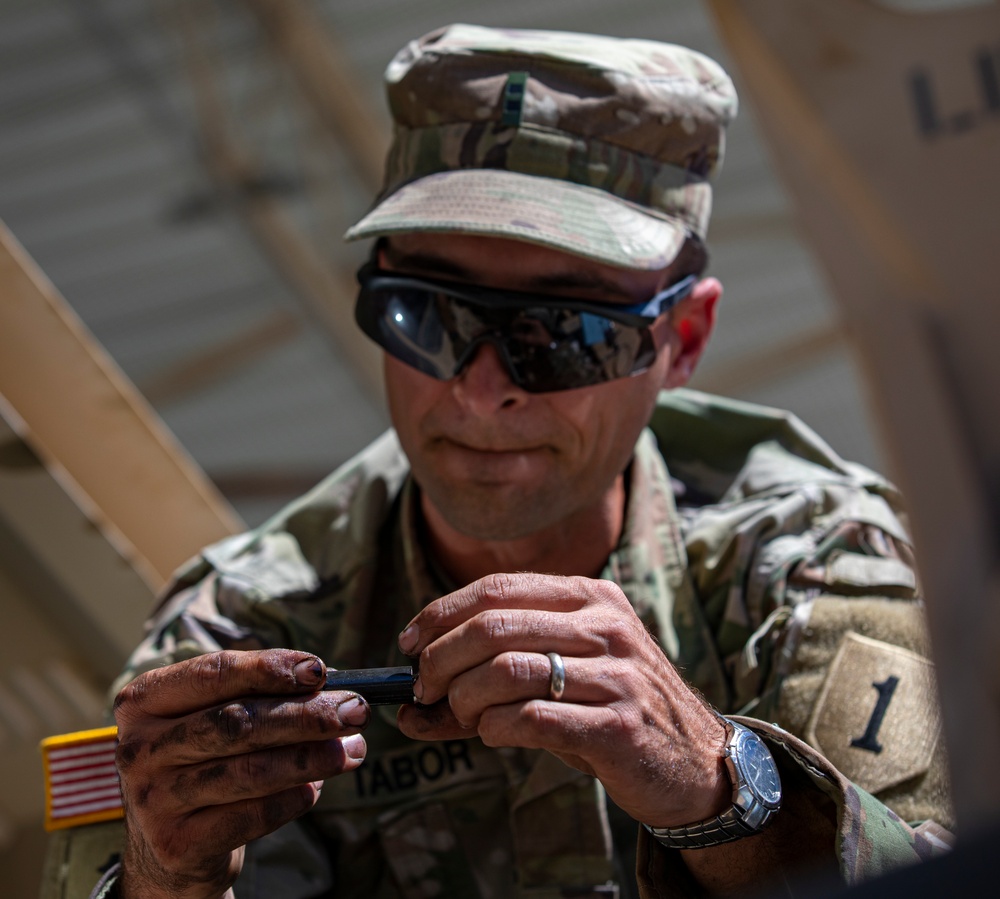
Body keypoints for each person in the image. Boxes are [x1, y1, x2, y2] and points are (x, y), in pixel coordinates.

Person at [44, 24, 953, 899]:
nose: (481, 394)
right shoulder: (237, 633)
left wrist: (722, 788)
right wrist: (168, 880)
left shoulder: (814, 566)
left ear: (683, 338)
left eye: (566, 334)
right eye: (425, 316)